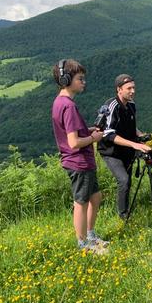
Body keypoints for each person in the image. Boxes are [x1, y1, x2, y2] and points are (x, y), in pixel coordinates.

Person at [51, 59, 109, 252]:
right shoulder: (68, 107)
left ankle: (90, 235)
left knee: (96, 196)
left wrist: (89, 130)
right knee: (81, 203)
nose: (84, 82)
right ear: (66, 79)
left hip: (82, 162)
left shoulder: (60, 102)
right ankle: (83, 244)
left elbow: (74, 132)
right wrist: (93, 137)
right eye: (80, 78)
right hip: (79, 162)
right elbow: (74, 143)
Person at [97, 74, 151, 220]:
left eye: (134, 88)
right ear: (119, 89)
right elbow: (108, 134)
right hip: (111, 152)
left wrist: (141, 136)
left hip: (126, 150)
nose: (132, 91)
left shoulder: (131, 105)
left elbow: (131, 126)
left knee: (127, 181)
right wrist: (134, 144)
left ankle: (125, 211)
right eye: (129, 88)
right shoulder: (111, 106)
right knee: (124, 180)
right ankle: (123, 216)